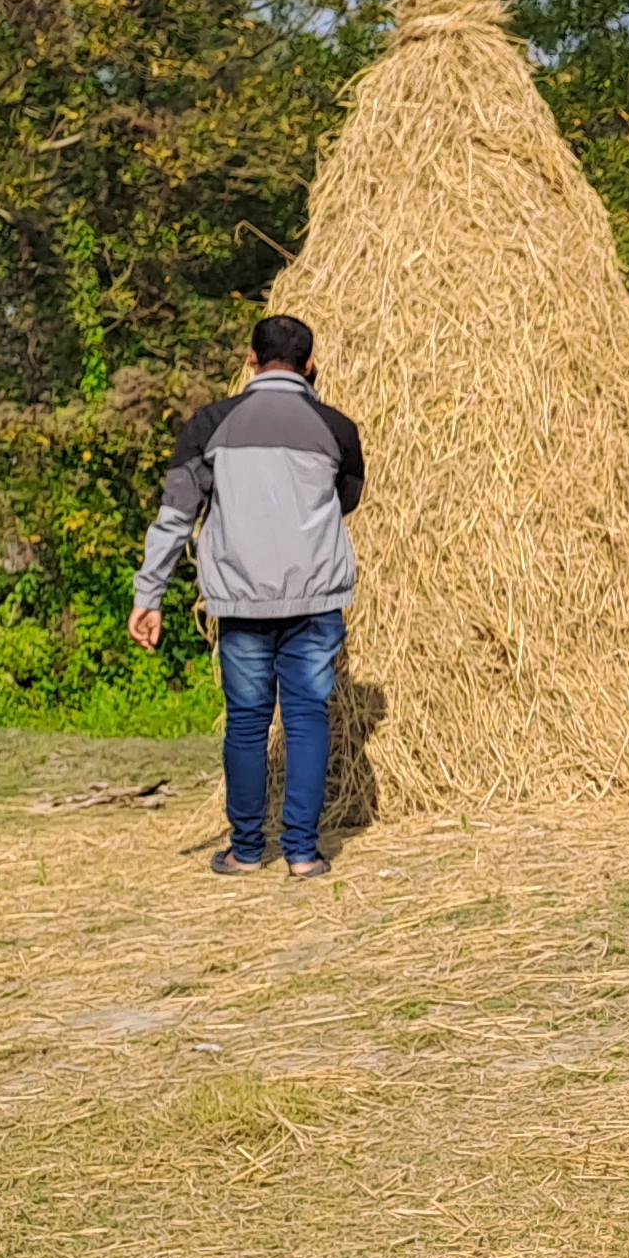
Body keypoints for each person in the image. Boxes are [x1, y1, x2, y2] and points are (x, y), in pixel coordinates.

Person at [129, 314, 366, 876]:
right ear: (310, 365)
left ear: (250, 361)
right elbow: (347, 499)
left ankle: (246, 851)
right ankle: (303, 854)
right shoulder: (337, 428)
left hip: (240, 602)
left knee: (246, 724)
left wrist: (149, 594)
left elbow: (175, 516)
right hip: (315, 599)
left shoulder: (210, 424)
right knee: (306, 718)